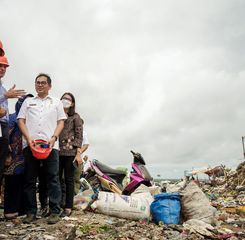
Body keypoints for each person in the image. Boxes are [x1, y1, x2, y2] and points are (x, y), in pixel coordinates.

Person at [18, 73, 66, 224]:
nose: (40, 85)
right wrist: (28, 138)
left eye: (43, 83)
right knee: (30, 179)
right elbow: (21, 120)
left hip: (51, 146)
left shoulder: (56, 102)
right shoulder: (28, 102)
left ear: (49, 86)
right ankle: (31, 212)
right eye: (37, 82)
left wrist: (54, 138)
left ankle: (54, 211)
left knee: (52, 178)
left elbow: (61, 122)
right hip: (30, 145)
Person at [4, 94, 33, 220]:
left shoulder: (33, 120)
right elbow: (6, 136)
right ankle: (10, 210)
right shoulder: (12, 118)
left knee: (26, 183)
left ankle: (23, 210)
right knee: (12, 183)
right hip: (14, 157)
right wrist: (8, 154)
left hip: (28, 157)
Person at [0, 55, 25, 191]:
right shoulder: (4, 93)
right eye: (0, 65)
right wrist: (5, 96)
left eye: (5, 66)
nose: (3, 68)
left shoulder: (3, 88)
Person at [59, 92, 83, 217]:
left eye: (68, 99)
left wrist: (78, 153)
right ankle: (56, 205)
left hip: (70, 152)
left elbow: (79, 136)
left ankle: (68, 207)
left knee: (69, 180)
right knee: (56, 179)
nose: (65, 100)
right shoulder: (56, 115)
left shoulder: (76, 117)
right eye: (63, 98)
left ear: (72, 103)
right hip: (56, 151)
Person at [74, 128, 90, 194]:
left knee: (76, 180)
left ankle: (73, 199)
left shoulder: (83, 133)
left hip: (78, 160)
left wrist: (79, 153)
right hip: (66, 157)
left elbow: (86, 145)